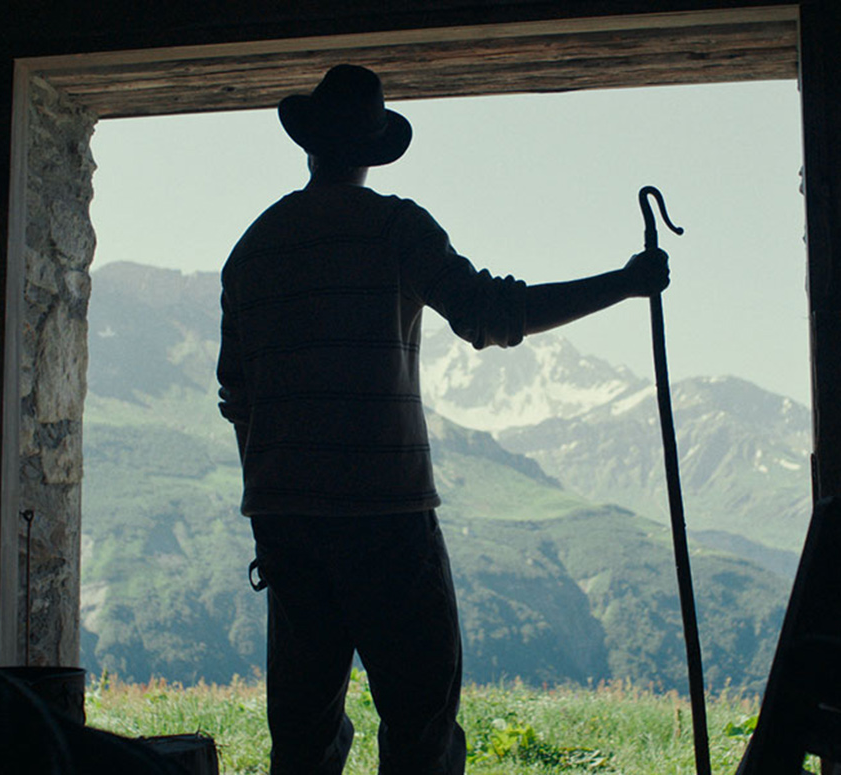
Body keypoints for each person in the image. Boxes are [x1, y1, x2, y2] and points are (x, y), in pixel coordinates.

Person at [216, 64, 669, 775]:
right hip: (385, 514)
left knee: (302, 735)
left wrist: (277, 499)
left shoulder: (253, 249)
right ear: (371, 150)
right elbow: (495, 314)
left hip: (288, 521)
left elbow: (237, 397)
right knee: (420, 724)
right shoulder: (396, 228)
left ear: (309, 146)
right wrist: (625, 283)